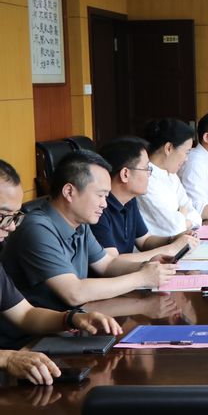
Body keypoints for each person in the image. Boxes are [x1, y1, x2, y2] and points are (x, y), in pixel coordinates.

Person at [0, 151, 175, 311]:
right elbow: (74, 293)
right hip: (39, 330)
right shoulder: (36, 228)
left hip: (73, 319)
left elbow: (107, 265)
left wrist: (147, 266)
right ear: (69, 191)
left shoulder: (79, 223)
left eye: (106, 196)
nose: (104, 204)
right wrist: (142, 278)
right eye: (100, 195)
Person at [0, 160, 122, 384]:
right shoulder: (37, 226)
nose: (11, 226)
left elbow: (25, 314)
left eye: (15, 216)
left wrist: (72, 318)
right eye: (3, 215)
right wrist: (6, 358)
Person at [92, 137, 199, 260]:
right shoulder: (99, 208)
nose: (150, 174)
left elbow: (145, 241)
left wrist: (174, 239)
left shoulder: (129, 201)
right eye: (146, 168)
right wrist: (171, 249)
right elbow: (112, 262)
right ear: (125, 174)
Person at [139, 118, 203, 236]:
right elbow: (174, 228)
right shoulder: (145, 178)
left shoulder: (171, 176)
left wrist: (181, 216)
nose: (186, 159)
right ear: (168, 148)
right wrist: (183, 214)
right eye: (186, 152)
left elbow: (196, 216)